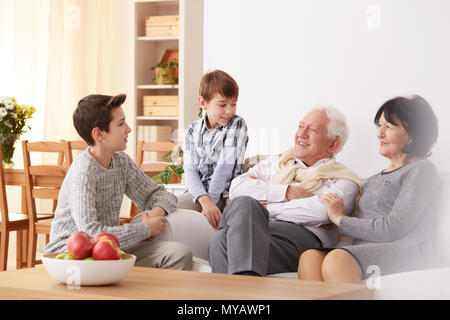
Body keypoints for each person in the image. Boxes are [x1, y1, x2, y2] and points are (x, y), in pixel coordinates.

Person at [298, 95, 441, 283]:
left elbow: (393, 228)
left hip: (409, 249)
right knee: (310, 258)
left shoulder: (421, 170)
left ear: (412, 134)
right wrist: (329, 220)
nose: (379, 134)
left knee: (337, 260)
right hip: (367, 249)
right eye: (379, 126)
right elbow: (362, 223)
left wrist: (340, 220)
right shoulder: (373, 180)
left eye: (388, 127)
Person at [208, 106, 364, 276]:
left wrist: (264, 209)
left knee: (225, 235)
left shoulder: (344, 180)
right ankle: (246, 288)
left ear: (333, 144)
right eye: (300, 126)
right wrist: (287, 192)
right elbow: (237, 189)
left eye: (312, 130)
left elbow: (321, 212)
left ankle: (236, 292)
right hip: (256, 232)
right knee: (226, 231)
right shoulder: (276, 163)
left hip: (300, 243)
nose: (301, 134)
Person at [44, 94, 192, 270]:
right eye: (121, 124)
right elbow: (91, 233)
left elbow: (158, 194)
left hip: (107, 247)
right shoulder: (83, 173)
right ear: (98, 134)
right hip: (72, 254)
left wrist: (156, 212)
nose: (128, 129)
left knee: (178, 253)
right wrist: (145, 229)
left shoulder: (121, 161)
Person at [178, 70, 249, 229]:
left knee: (230, 221)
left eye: (233, 104)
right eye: (222, 105)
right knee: (171, 211)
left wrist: (212, 203)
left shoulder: (237, 125)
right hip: (198, 194)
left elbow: (224, 167)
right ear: (203, 103)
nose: (229, 111)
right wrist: (205, 202)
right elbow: (190, 170)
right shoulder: (192, 130)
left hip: (226, 192)